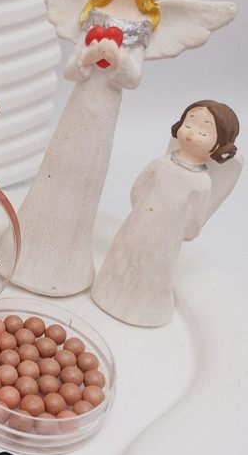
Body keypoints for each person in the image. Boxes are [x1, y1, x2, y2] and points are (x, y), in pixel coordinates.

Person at [0, 0, 236, 296]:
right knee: (58, 166)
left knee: (85, 174)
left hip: (105, 107)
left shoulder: (142, 24)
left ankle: (65, 263)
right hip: (78, 106)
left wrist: (118, 60)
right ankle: (24, 249)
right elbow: (71, 69)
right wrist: (89, 55)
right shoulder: (95, 9)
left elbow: (132, 78)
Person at [91, 100, 240, 326]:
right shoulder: (162, 164)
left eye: (203, 132)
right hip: (139, 223)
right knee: (125, 254)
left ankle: (142, 308)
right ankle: (108, 292)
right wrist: (141, 212)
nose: (192, 134)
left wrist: (188, 232)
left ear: (219, 146)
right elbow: (138, 188)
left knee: (154, 266)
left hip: (167, 236)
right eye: (189, 124)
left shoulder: (201, 182)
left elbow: (197, 216)